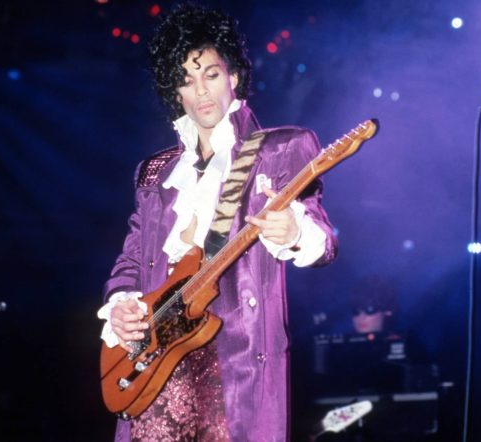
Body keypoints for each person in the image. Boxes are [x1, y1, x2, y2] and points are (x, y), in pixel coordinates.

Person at [97, 4, 337, 441]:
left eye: (210, 73)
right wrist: (122, 308)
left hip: (235, 358)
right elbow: (130, 261)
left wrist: (296, 232)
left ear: (234, 77)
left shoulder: (281, 150)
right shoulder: (154, 172)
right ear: (176, 93)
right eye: (187, 80)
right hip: (156, 357)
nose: (201, 91)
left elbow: (324, 238)